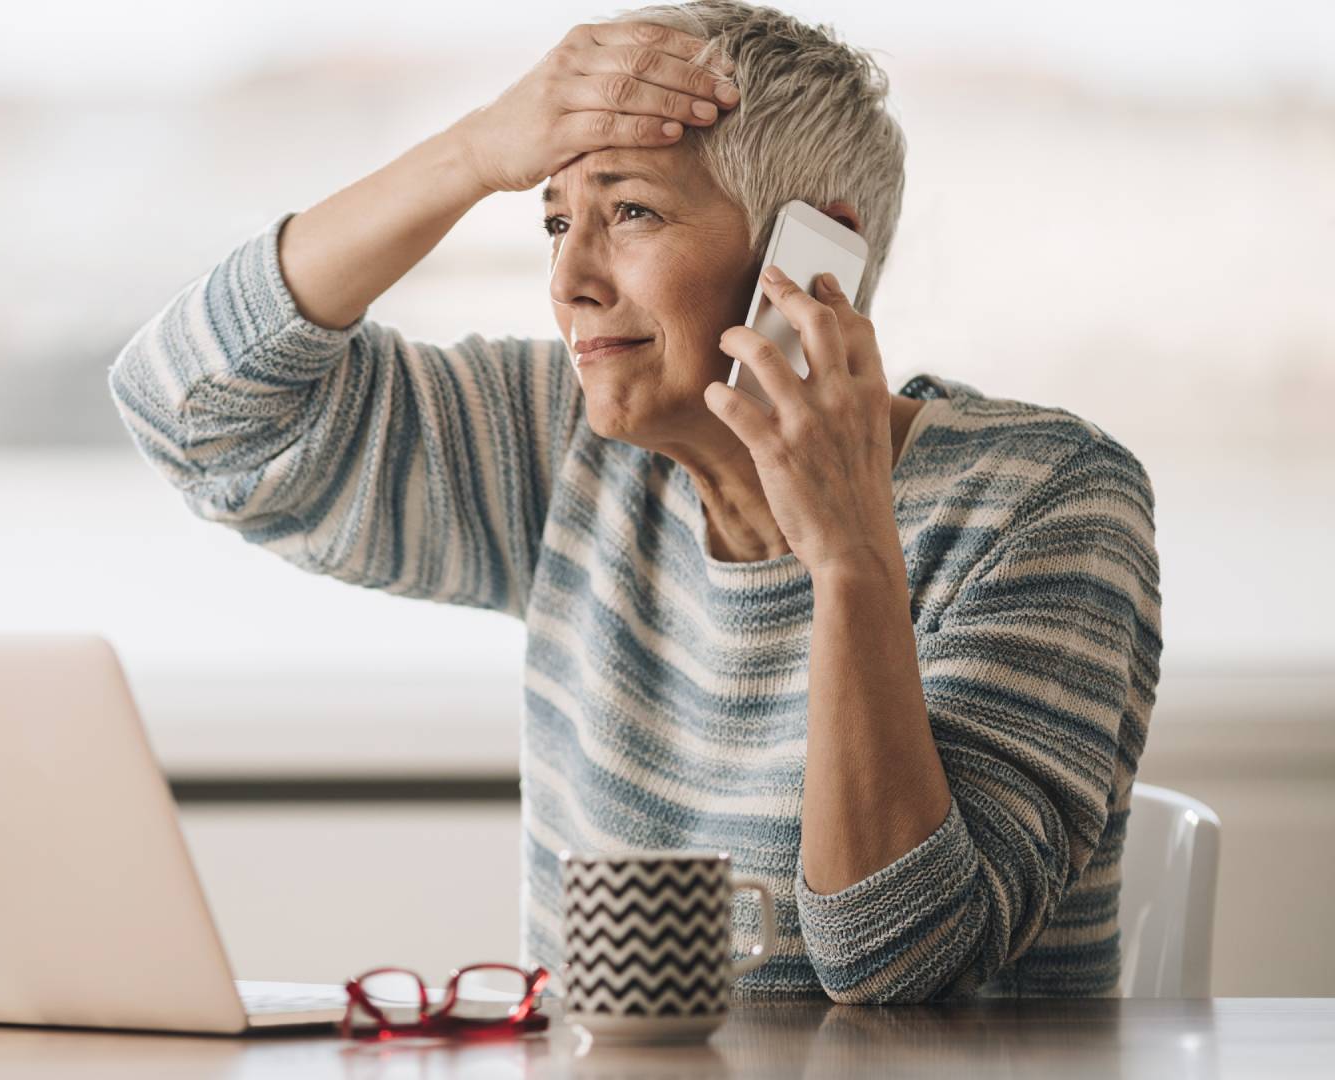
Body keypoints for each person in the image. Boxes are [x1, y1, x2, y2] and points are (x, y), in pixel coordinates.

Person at [107, 0, 1161, 1003]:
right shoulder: (567, 447)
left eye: (630, 213)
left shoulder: (1045, 502)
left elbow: (900, 959)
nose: (570, 277)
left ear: (814, 265)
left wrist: (848, 558)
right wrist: (473, 154)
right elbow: (190, 410)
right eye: (556, 222)